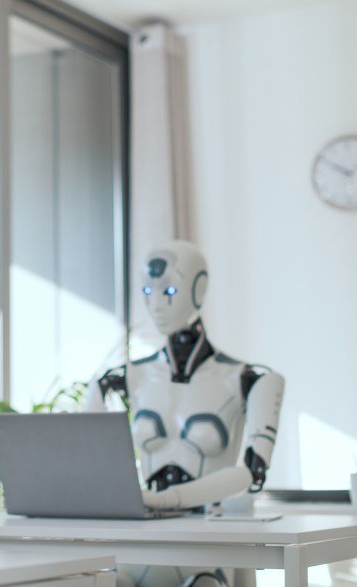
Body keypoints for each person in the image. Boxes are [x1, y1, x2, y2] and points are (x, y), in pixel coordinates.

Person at [85, 240, 285, 587]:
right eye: (149, 290)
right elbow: (83, 458)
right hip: (141, 547)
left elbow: (251, 474)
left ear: (199, 288)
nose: (156, 303)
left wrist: (161, 500)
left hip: (209, 548)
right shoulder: (123, 378)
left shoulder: (249, 379)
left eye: (170, 290)